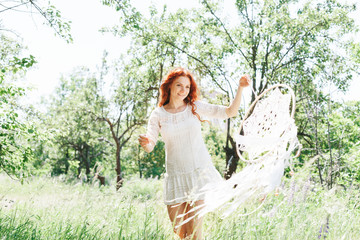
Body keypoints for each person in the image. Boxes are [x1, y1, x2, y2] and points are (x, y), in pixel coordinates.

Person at [138, 67, 250, 239]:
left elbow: (230, 112)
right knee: (181, 234)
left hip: (198, 175)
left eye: (187, 87)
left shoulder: (194, 107)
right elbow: (150, 144)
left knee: (196, 234)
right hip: (175, 177)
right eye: (179, 85)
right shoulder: (158, 114)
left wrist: (240, 88)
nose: (183, 90)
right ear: (169, 86)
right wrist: (146, 142)